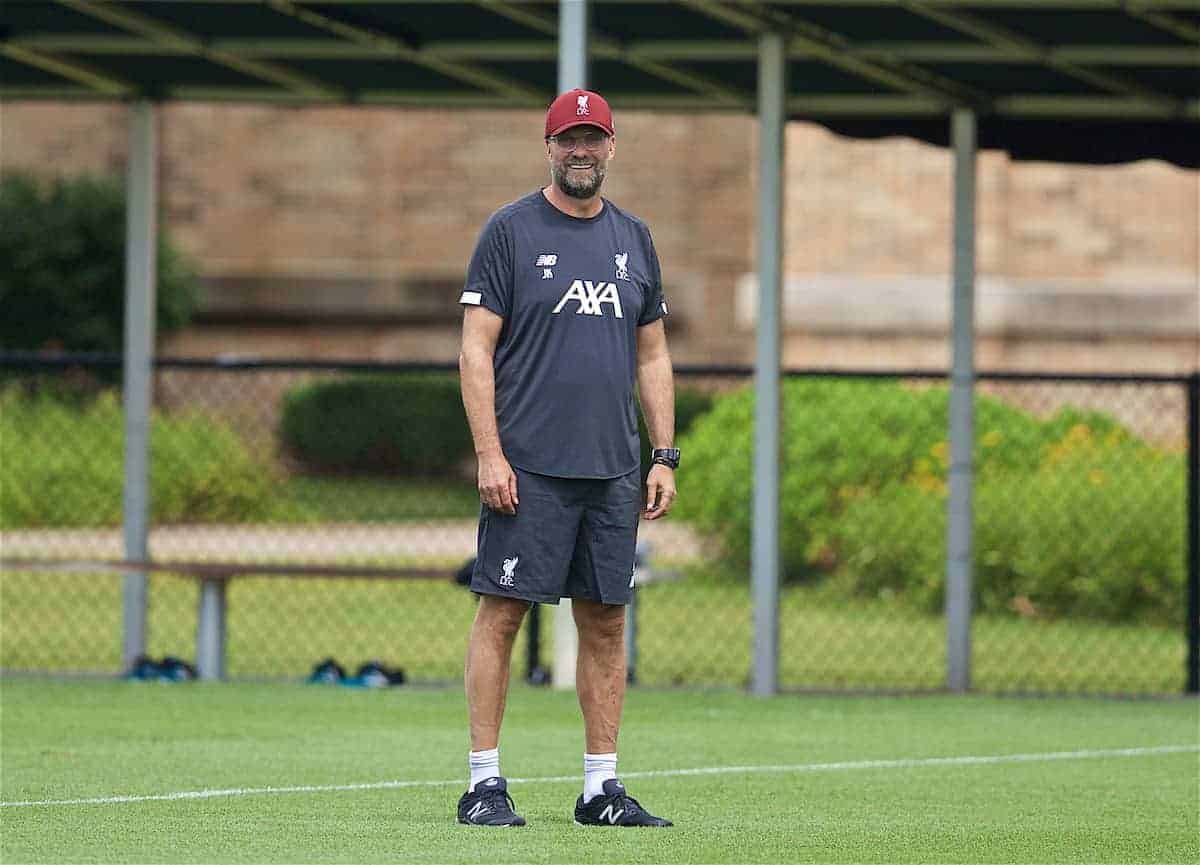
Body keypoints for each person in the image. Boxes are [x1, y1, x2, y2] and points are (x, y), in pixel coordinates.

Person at [455, 88, 679, 828]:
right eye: (567, 139)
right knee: (503, 612)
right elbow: (475, 348)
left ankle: (599, 788)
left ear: (612, 146)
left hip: (613, 470)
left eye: (594, 138)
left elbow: (653, 355)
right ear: (549, 147)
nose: (581, 151)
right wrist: (490, 452)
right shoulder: (510, 231)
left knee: (608, 621)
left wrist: (663, 455)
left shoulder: (634, 239)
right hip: (528, 468)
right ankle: (484, 782)